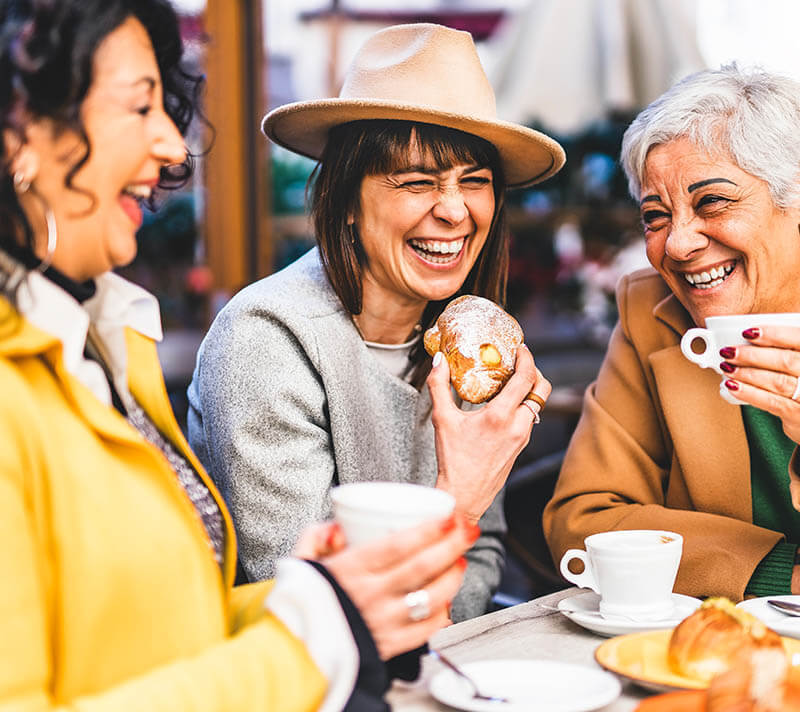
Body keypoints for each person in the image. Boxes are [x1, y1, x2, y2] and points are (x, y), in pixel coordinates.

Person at [0, 2, 478, 710]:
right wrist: (319, 627)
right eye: (140, 108)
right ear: (17, 135)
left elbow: (169, 635)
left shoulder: (105, 341)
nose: (173, 147)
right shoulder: (255, 334)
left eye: (169, 107)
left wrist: (322, 599)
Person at [187, 22, 561, 621]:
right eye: (417, 182)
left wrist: (435, 603)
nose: (454, 210)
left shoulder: (464, 347)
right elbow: (311, 604)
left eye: (476, 182)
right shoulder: (264, 340)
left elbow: (485, 556)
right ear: (347, 199)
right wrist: (459, 500)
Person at [543, 64, 800, 601]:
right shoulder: (650, 312)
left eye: (712, 202)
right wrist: (774, 575)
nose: (677, 245)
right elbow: (582, 520)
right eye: (655, 217)